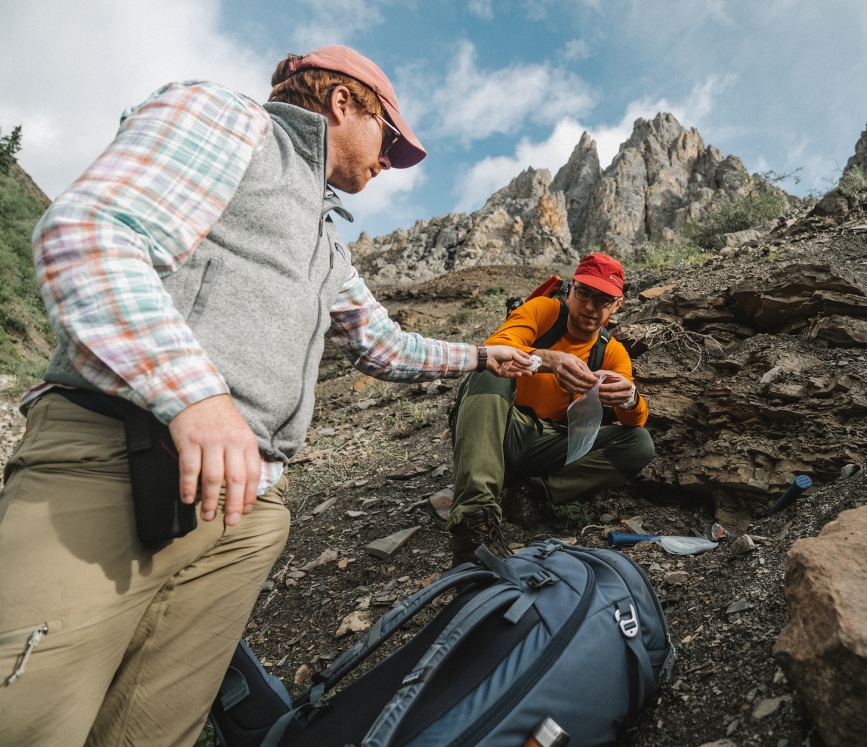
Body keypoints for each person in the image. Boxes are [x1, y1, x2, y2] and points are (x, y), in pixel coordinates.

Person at [0, 45, 533, 746]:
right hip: (117, 465)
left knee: (152, 731)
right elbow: (90, 232)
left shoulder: (326, 240)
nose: (389, 160)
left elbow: (384, 345)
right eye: (391, 139)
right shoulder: (227, 119)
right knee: (26, 714)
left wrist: (487, 354)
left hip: (245, 518)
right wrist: (195, 396)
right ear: (344, 102)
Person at [446, 253, 655, 565]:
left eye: (603, 300)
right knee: (489, 373)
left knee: (639, 444)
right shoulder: (543, 311)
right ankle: (474, 524)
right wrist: (549, 360)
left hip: (550, 446)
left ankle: (531, 491)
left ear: (617, 306)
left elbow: (635, 419)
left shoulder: (611, 352)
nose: (589, 307)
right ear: (571, 290)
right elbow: (494, 349)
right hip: (500, 430)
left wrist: (628, 398)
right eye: (584, 293)